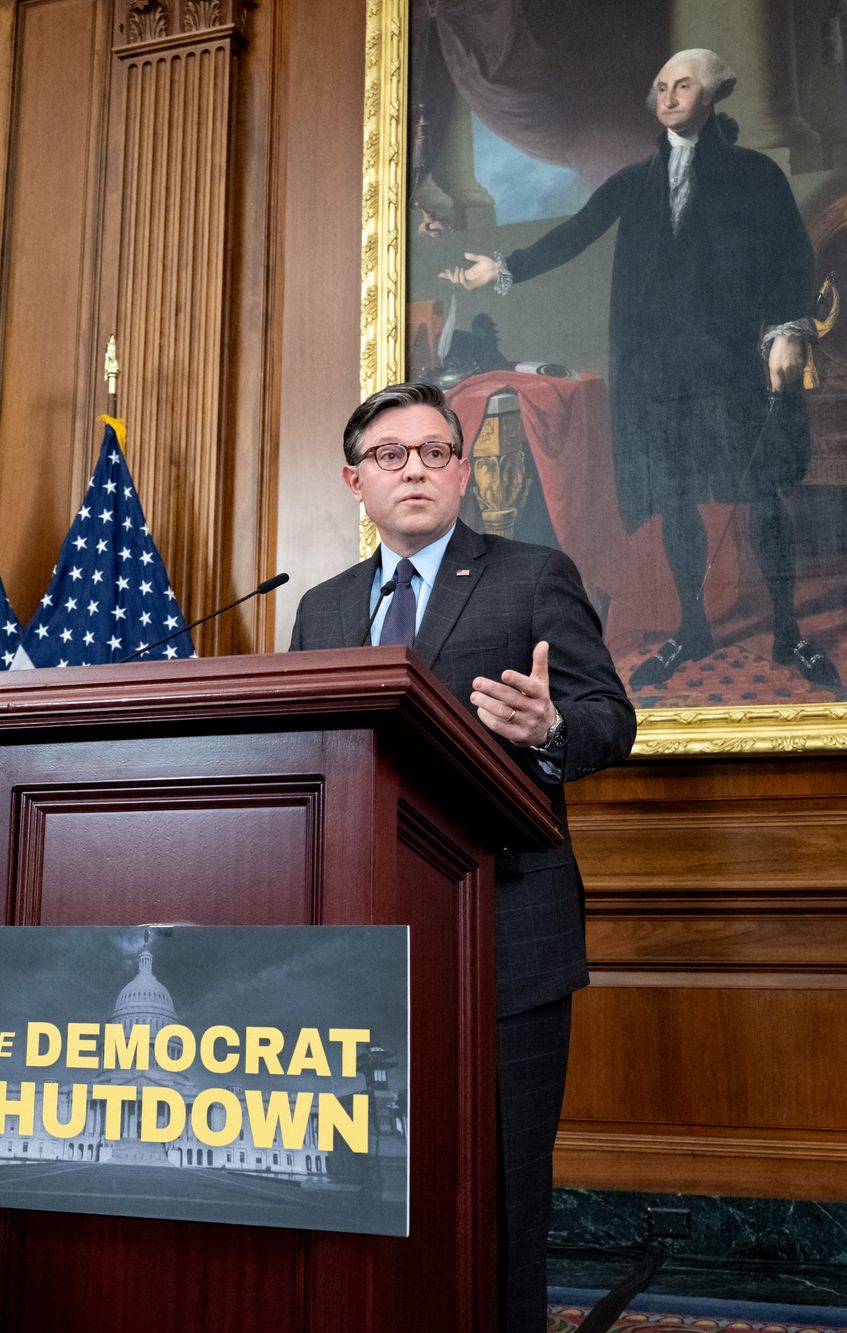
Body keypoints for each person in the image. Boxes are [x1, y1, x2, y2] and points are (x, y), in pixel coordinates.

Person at [289, 381, 635, 1333]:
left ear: (462, 470)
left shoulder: (530, 575)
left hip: (505, 933)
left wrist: (554, 725)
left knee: (504, 1184)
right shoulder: (320, 609)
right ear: (355, 479)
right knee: (376, 1180)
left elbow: (616, 721)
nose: (415, 470)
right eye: (392, 455)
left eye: (436, 452)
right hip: (358, 942)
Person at [443, 48, 841, 693]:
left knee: (762, 496)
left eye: (683, 85)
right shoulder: (636, 179)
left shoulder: (755, 173)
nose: (668, 96)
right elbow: (576, 231)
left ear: (713, 95)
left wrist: (789, 330)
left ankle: (788, 630)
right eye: (661, 86)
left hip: (735, 365)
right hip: (660, 374)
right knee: (676, 500)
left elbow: (788, 255)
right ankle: (693, 627)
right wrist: (503, 265)